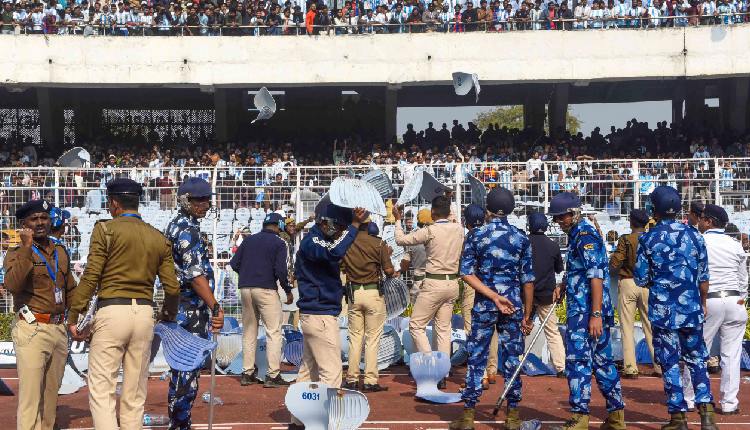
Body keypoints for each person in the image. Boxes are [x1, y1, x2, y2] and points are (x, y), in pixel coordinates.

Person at [67, 178, 180, 430]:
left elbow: (91, 276)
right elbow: (172, 288)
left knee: (102, 388)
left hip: (112, 310)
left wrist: (74, 314)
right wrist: (167, 314)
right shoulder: (158, 237)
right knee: (135, 392)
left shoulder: (105, 230)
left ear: (114, 203)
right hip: (144, 314)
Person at [634, 186, 718, 430]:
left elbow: (640, 278)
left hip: (664, 312)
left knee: (669, 362)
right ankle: (707, 415)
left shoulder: (648, 238)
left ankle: (678, 417)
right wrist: (702, 302)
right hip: (691, 309)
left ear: (655, 208)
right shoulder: (695, 236)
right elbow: (704, 277)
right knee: (697, 359)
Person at [449, 189, 534, 430]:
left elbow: (466, 273)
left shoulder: (477, 235)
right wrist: (527, 315)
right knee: (512, 359)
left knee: (477, 357)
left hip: (485, 304)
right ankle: (513, 416)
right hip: (513, 305)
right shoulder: (520, 237)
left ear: (488, 209)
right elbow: (528, 281)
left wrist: (493, 296)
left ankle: (468, 415)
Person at [549, 192, 625, 430]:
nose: (558, 221)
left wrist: (595, 314)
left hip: (586, 313)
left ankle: (580, 417)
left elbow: (596, 277)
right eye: (556, 218)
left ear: (574, 213)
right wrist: (564, 284)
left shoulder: (584, 236)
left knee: (578, 362)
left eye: (562, 216)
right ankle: (616, 417)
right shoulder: (578, 235)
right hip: (588, 310)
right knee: (603, 363)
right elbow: (580, 270)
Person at [288, 203, 367, 430]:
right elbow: (334, 252)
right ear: (327, 223)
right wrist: (354, 226)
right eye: (339, 226)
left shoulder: (315, 240)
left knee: (308, 372)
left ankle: (298, 421)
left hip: (315, 314)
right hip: (320, 314)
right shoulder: (313, 241)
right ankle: (326, 422)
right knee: (331, 373)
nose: (341, 231)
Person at [4, 200, 76, 430]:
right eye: (33, 219)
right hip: (31, 328)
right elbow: (13, 285)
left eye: (44, 218)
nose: (40, 223)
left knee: (51, 396)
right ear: (24, 224)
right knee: (31, 397)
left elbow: (70, 289)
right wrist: (26, 248)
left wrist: (76, 319)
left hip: (58, 328)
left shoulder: (60, 251)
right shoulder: (16, 253)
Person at [164, 177, 225, 429]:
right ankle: (180, 424)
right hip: (189, 310)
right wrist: (215, 306)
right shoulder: (186, 229)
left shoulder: (180, 225)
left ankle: (180, 422)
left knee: (183, 372)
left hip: (184, 307)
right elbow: (195, 276)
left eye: (207, 199)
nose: (205, 204)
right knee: (187, 372)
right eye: (199, 200)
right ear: (184, 200)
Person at [683, 204, 747, 415]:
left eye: (702, 218)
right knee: (732, 355)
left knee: (696, 351)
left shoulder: (699, 241)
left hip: (708, 300)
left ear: (709, 221)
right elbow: (743, 279)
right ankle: (729, 403)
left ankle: (689, 398)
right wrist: (741, 300)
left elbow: (691, 276)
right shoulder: (735, 244)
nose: (699, 221)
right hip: (734, 299)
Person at [393, 196, 464, 365]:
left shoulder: (429, 231)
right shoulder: (458, 229)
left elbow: (400, 240)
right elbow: (451, 217)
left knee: (416, 325)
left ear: (433, 212)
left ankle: (431, 363)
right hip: (452, 283)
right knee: (443, 329)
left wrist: (397, 220)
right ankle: (444, 369)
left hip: (433, 283)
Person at [230, 212, 293, 387]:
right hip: (266, 289)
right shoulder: (279, 242)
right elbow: (281, 270)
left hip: (245, 288)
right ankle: (273, 375)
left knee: (249, 331)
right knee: (273, 332)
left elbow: (234, 264)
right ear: (279, 226)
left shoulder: (249, 240)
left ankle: (247, 373)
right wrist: (287, 290)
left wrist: (248, 274)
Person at [341, 219, 396, 392]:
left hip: (354, 293)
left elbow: (341, 266)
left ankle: (351, 379)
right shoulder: (378, 243)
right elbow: (389, 271)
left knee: (355, 338)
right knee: (372, 339)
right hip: (373, 293)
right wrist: (386, 255)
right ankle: (370, 380)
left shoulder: (347, 243)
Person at [609, 209, 659, 379]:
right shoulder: (652, 238)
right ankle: (659, 366)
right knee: (650, 327)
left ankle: (630, 367)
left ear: (631, 222)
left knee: (627, 327)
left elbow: (615, 263)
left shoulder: (626, 239)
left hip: (628, 281)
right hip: (647, 285)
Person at [527, 211, 566, 378]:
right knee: (552, 331)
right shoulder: (553, 245)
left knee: (520, 328)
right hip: (546, 294)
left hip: (526, 293)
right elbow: (558, 269)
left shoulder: (524, 243)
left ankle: (514, 362)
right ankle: (561, 367)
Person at [401, 209, 430, 304]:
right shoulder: (437, 235)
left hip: (418, 282)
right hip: (435, 281)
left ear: (417, 220)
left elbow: (405, 264)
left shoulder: (412, 237)